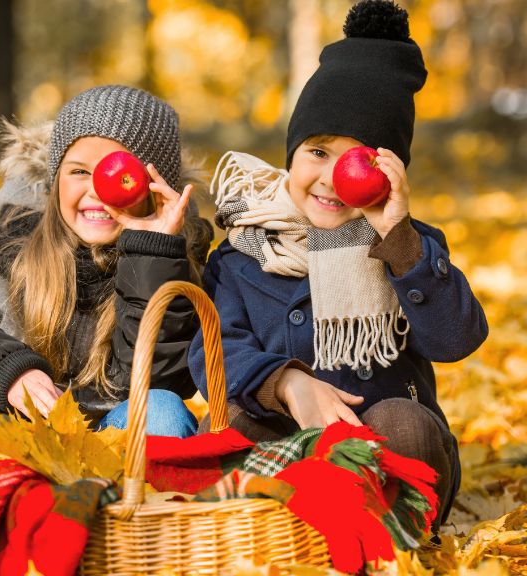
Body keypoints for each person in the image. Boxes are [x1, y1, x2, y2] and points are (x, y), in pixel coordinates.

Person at [188, 0, 488, 530]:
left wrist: (398, 237)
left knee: (404, 424)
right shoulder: (240, 254)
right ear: (292, 154)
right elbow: (211, 351)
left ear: (389, 171)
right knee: (231, 427)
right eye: (318, 152)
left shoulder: (406, 246)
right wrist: (285, 383)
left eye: (359, 160)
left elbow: (456, 339)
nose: (331, 179)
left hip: (385, 448)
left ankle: (387, 538)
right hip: (286, 435)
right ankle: (280, 535)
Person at [0, 85, 214, 480]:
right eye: (79, 171)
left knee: (161, 410)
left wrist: (153, 251)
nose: (97, 190)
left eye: (119, 172)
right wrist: (6, 370)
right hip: (13, 442)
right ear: (54, 178)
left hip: (110, 454)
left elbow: (158, 378)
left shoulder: (176, 263)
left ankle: (124, 536)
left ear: (155, 185)